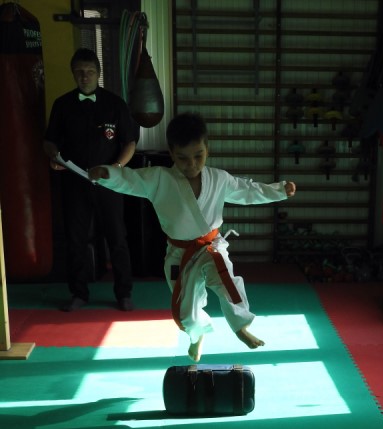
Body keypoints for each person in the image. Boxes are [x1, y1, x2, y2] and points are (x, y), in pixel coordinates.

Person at [88, 112, 297, 360]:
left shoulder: (219, 179)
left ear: (207, 149)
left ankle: (241, 327)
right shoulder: (159, 179)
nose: (192, 164)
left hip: (211, 246)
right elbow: (130, 179)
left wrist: (278, 190)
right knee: (185, 310)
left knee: (227, 282)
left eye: (198, 156)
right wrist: (107, 174)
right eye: (183, 158)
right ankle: (197, 335)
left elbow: (248, 190)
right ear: (171, 153)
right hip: (179, 253)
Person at [44, 48, 138, 312]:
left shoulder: (115, 104)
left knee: (117, 237)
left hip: (109, 182)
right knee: (76, 239)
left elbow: (130, 142)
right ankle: (79, 293)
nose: (84, 76)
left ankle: (124, 293)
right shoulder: (62, 105)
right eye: (79, 72)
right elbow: (49, 141)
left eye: (90, 72)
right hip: (74, 181)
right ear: (73, 74)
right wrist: (54, 157)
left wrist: (116, 168)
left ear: (98, 73)